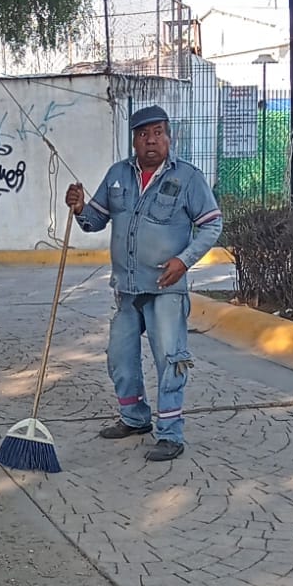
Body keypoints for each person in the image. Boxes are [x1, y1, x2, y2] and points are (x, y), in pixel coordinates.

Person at [65, 105, 222, 462]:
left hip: (166, 288)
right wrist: (78, 208)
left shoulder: (188, 179)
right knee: (120, 358)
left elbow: (211, 224)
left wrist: (183, 261)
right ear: (133, 139)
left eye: (158, 133)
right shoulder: (118, 175)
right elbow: (95, 221)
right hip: (126, 288)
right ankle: (135, 419)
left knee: (170, 358)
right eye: (143, 134)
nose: (151, 140)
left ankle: (170, 433)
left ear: (170, 136)